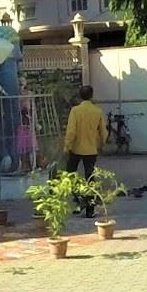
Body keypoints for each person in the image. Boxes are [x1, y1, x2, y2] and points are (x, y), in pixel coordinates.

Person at [63, 85, 107, 217]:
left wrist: (67, 146)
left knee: (70, 175)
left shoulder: (75, 111)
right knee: (90, 178)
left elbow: (71, 131)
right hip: (91, 149)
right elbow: (103, 132)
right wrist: (101, 144)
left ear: (80, 96)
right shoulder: (97, 111)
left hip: (75, 149)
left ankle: (79, 198)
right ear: (91, 96)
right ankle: (90, 209)